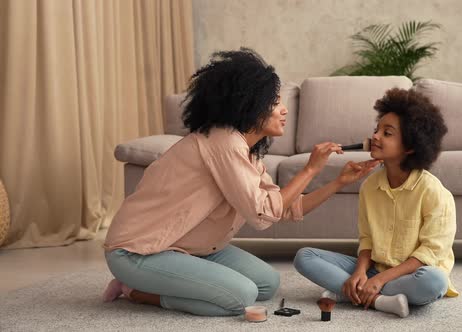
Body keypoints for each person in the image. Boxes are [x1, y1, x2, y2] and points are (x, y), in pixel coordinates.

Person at [101, 48, 379, 316]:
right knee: (240, 297)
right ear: (247, 105)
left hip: (190, 249)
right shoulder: (224, 143)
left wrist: (338, 181)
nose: (283, 111)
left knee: (267, 284)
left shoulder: (247, 152)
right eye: (274, 103)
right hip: (139, 251)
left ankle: (173, 280)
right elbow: (263, 215)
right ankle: (134, 291)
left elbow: (285, 209)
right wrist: (309, 170)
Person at [294, 88, 458, 318]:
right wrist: (361, 271)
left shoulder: (433, 192)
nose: (376, 137)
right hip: (375, 268)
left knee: (434, 282)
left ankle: (350, 292)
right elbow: (367, 240)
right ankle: (380, 300)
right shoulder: (369, 186)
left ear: (410, 145)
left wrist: (380, 279)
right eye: (377, 130)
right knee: (305, 256)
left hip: (416, 273)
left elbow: (429, 254)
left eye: (387, 133)